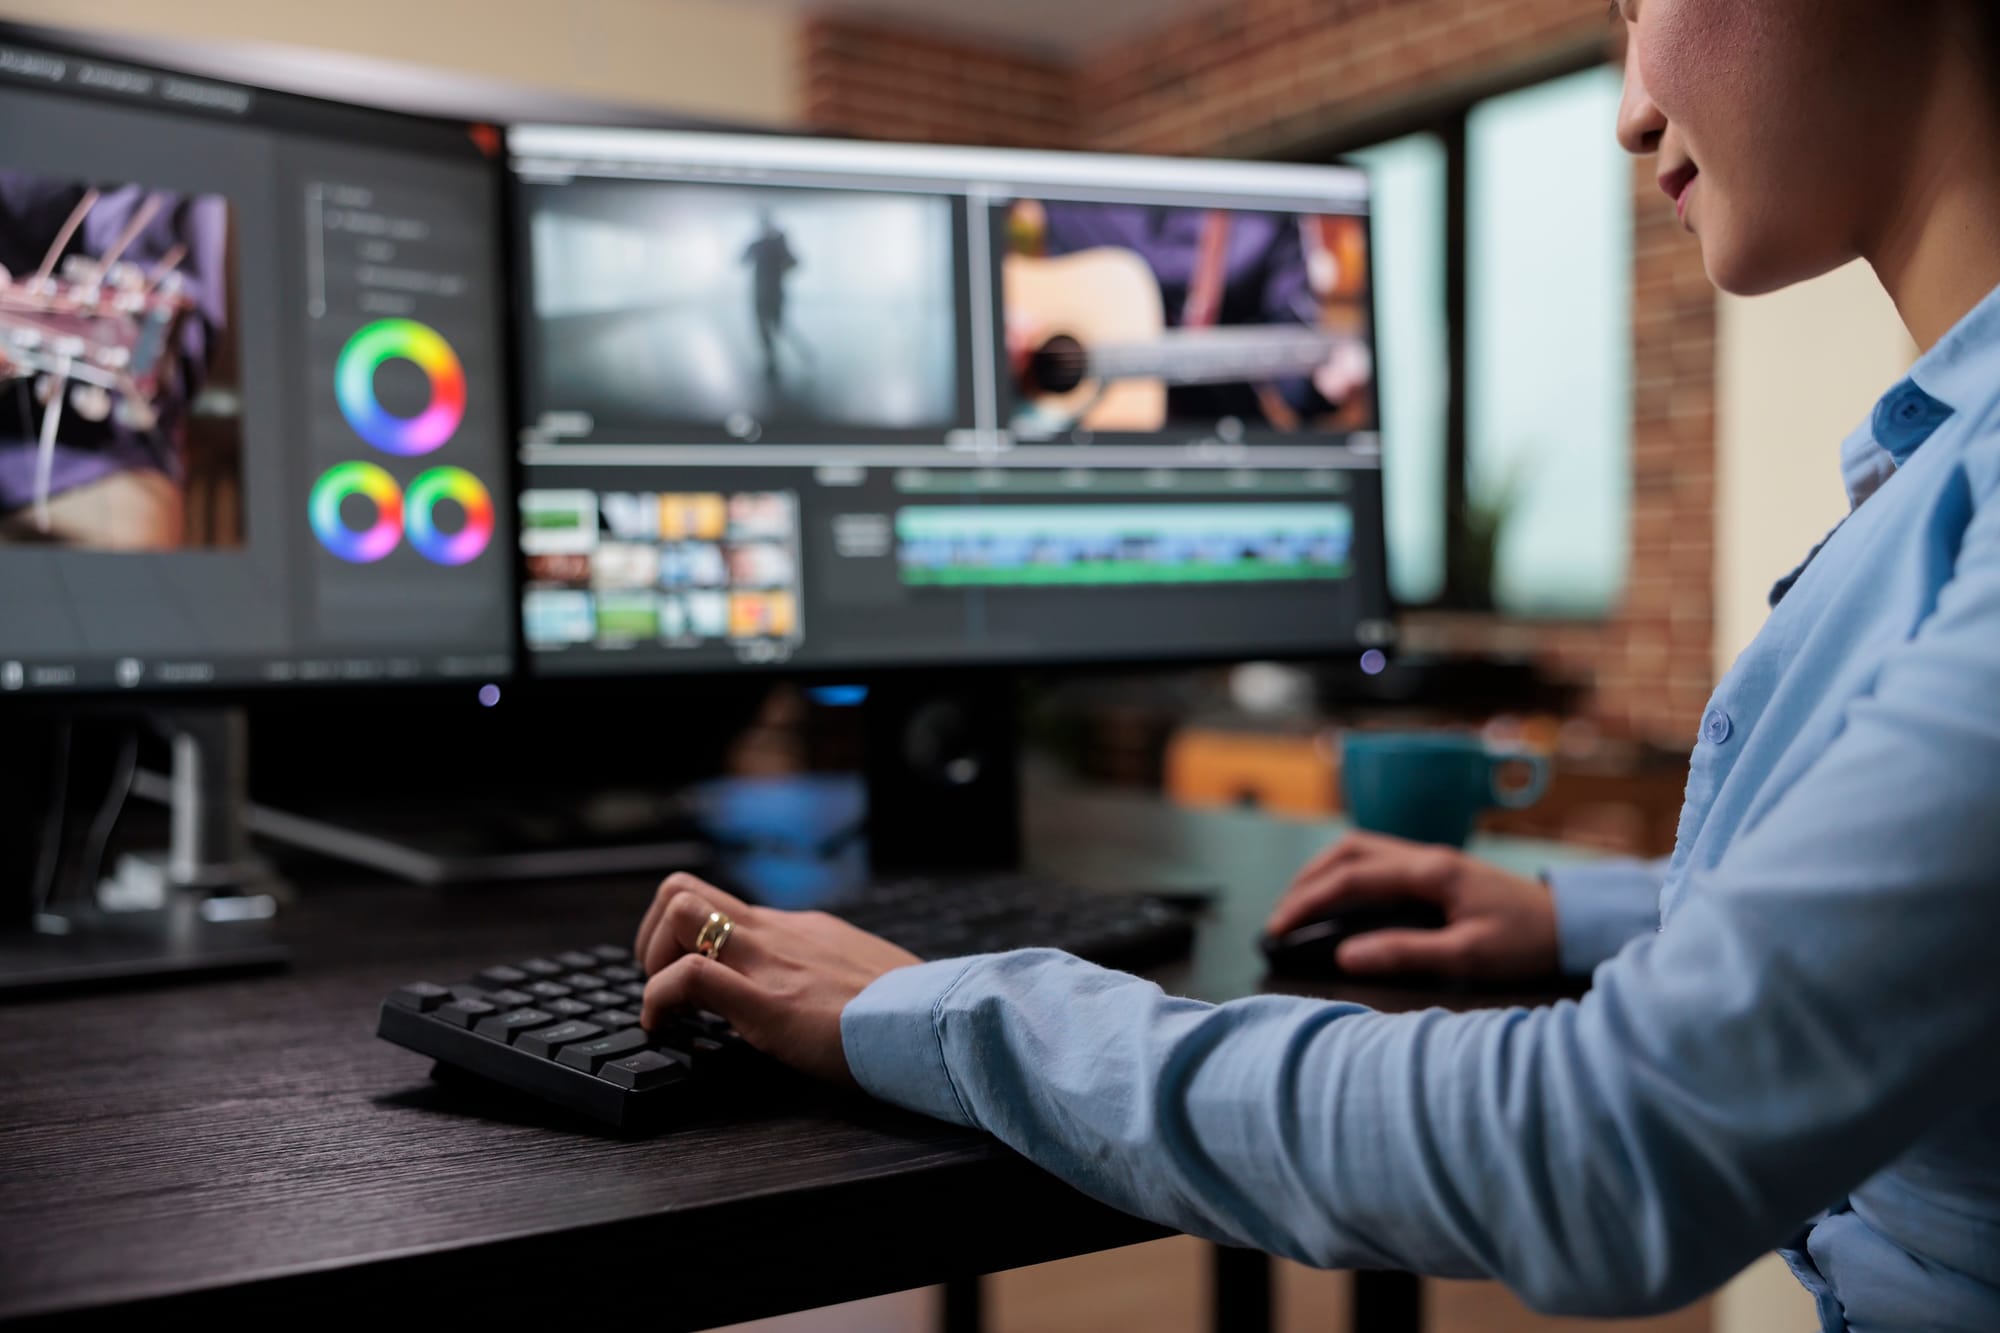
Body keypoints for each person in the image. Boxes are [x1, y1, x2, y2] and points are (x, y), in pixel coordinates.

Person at [630, 1, 2000, 1324]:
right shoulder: (1946, 456)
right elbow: (1927, 918)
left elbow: (1609, 1135)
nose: (1633, 110)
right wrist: (1577, 915)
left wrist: (938, 1008)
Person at [740, 209, 799, 386]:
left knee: (778, 326)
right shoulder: (757, 244)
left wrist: (783, 244)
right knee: (763, 328)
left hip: (775, 293)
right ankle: (771, 360)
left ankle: (784, 353)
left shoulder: (779, 244)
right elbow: (742, 260)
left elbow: (794, 263)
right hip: (760, 293)